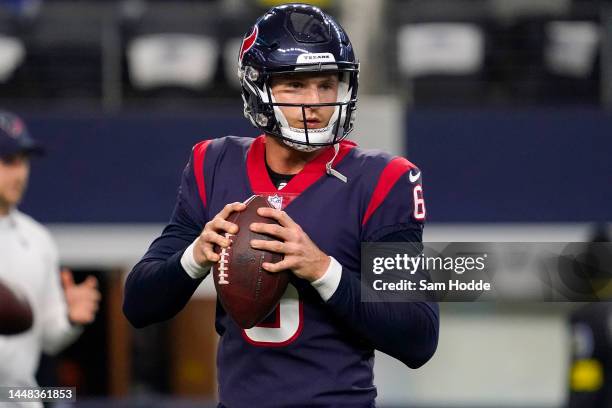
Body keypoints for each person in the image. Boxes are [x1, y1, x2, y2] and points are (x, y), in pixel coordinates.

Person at [123, 4, 439, 407]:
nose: (315, 102)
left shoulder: (384, 180)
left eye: (327, 85)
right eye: (296, 85)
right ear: (259, 87)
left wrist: (322, 270)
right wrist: (193, 257)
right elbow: (137, 304)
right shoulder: (213, 164)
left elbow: (420, 336)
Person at [0, 111, 101, 406]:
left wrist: (70, 319)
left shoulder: (37, 240)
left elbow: (48, 337)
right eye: (9, 161)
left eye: (24, 161)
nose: (20, 173)